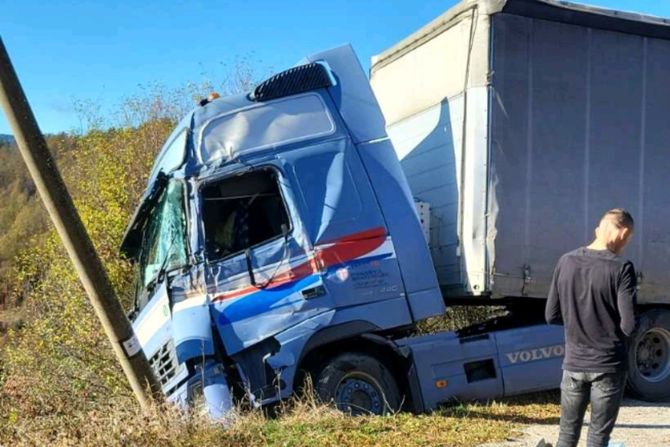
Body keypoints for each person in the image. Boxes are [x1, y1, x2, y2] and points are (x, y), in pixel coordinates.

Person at [545, 208, 637, 447]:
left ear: (598, 230)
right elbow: (629, 325)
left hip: (574, 364)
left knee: (566, 435)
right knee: (597, 437)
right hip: (608, 365)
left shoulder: (565, 261)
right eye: (627, 239)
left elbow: (551, 315)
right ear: (623, 232)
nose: (625, 245)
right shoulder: (621, 267)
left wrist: (579, 324)